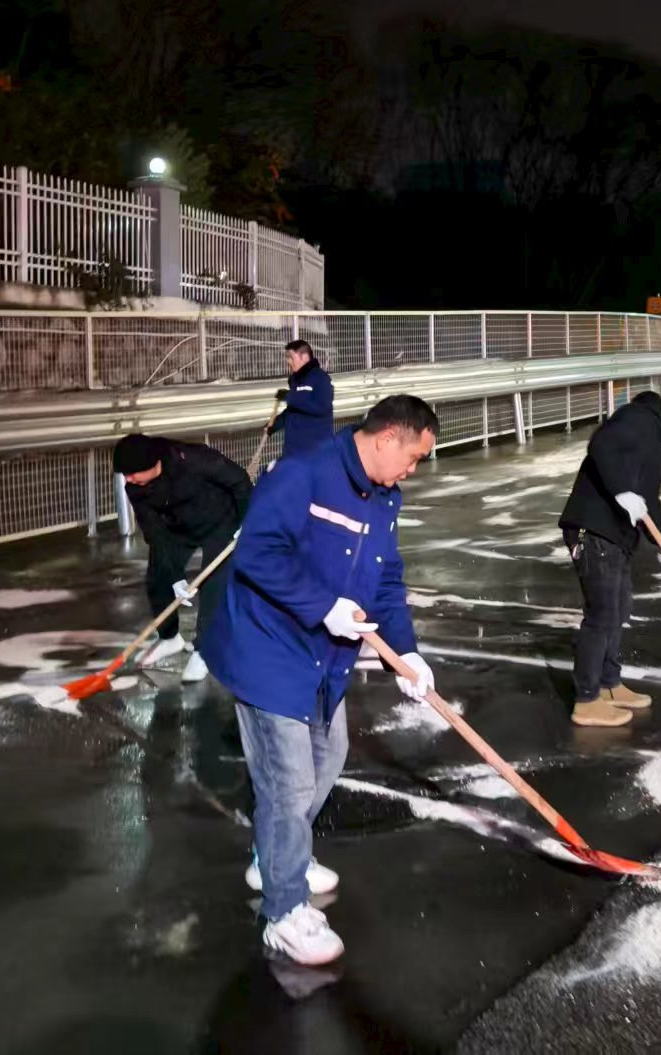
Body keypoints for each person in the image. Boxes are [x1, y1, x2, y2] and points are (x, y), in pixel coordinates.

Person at [198, 395, 439, 966]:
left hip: (324, 656)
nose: (413, 470)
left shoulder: (385, 498)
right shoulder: (303, 474)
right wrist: (322, 605)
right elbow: (257, 552)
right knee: (289, 784)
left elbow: (385, 578)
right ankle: (284, 912)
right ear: (387, 437)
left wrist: (406, 653)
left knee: (329, 756)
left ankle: (277, 854)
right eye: (413, 457)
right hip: (269, 649)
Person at [557, 391, 661, 727]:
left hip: (614, 538)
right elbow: (602, 444)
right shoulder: (639, 418)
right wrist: (621, 490)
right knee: (602, 614)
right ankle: (587, 699)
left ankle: (609, 683)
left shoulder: (650, 444)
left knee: (619, 608)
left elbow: (648, 502)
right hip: (593, 532)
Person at [113, 433, 251, 683]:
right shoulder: (135, 488)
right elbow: (155, 533)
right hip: (179, 527)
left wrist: (246, 521)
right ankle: (170, 638)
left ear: (154, 463)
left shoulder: (194, 459)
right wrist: (175, 577)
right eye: (125, 474)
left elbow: (239, 481)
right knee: (159, 577)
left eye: (132, 473)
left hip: (220, 521)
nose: (128, 479)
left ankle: (205, 650)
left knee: (213, 586)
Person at [274, 339, 335, 460]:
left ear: (304, 357)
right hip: (294, 450)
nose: (288, 361)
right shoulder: (294, 380)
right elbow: (293, 410)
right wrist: (275, 425)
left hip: (315, 450)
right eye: (287, 357)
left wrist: (290, 397)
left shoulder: (320, 378)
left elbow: (322, 407)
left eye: (291, 357)